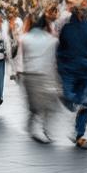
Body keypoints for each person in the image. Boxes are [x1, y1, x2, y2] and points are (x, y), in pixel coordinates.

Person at [57, 4, 87, 150]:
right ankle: (78, 134)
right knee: (85, 103)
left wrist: (60, 65)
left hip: (70, 69)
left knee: (70, 96)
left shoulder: (66, 29)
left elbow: (61, 48)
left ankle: (75, 116)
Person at [18, 10, 61, 143]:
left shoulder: (23, 38)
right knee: (49, 104)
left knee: (35, 106)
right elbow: (55, 60)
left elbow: (19, 59)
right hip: (46, 75)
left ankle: (32, 126)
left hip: (29, 75)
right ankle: (43, 128)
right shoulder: (52, 40)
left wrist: (18, 73)